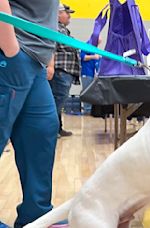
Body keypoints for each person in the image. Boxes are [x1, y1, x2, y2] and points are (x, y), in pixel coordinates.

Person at [0, 0, 61, 227]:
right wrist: (11, 49)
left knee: (42, 133)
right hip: (12, 52)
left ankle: (36, 217)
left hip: (33, 59)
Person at [49, 3, 81, 137]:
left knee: (58, 101)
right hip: (61, 71)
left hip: (63, 71)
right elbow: (70, 46)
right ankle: (52, 130)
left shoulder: (62, 29)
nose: (69, 16)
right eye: (66, 13)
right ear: (57, 14)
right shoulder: (57, 29)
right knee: (57, 101)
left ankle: (58, 128)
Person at [80, 38, 101, 115]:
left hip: (93, 75)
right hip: (86, 74)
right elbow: (83, 57)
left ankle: (91, 111)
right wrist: (94, 57)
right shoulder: (86, 46)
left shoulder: (95, 49)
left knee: (92, 93)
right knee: (86, 92)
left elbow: (97, 64)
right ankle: (87, 110)